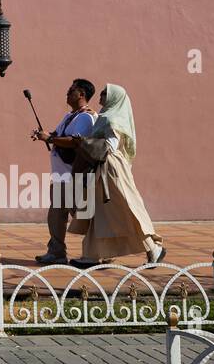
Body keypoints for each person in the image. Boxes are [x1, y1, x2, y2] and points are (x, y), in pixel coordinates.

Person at [66, 84, 166, 268]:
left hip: (111, 168)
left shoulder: (112, 119)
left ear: (114, 97)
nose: (101, 96)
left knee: (125, 209)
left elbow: (110, 146)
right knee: (99, 212)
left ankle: (153, 248)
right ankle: (92, 255)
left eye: (105, 93)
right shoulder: (105, 116)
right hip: (102, 168)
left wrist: (84, 142)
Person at [30, 78, 97, 265]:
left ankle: (99, 250)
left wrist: (50, 139)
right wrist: (45, 136)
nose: (67, 93)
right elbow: (59, 136)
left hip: (74, 177)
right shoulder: (70, 116)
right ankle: (57, 252)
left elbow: (76, 141)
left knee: (84, 216)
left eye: (71, 90)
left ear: (82, 94)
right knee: (57, 215)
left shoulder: (86, 117)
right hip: (62, 176)